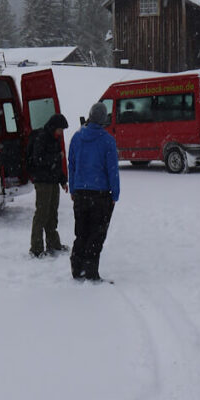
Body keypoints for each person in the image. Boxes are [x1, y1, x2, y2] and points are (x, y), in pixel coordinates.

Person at [67, 103, 120, 281]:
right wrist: (115, 194)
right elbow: (112, 170)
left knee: (81, 232)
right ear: (104, 119)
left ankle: (77, 269)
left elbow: (72, 166)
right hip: (100, 195)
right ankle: (90, 272)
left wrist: (73, 188)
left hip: (81, 193)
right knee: (96, 234)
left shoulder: (76, 138)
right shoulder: (107, 141)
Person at [28, 113, 69, 257]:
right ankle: (36, 249)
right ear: (53, 127)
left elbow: (56, 165)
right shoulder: (41, 137)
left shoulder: (54, 139)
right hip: (42, 182)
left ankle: (53, 244)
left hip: (53, 181)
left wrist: (63, 180)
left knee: (52, 214)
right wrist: (57, 157)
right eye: (60, 129)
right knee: (42, 214)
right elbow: (38, 160)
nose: (61, 133)